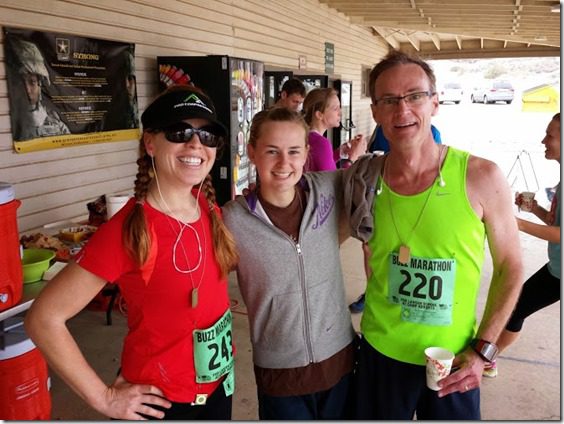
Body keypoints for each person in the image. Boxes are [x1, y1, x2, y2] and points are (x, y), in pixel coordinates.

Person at [25, 85, 239, 420]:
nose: (196, 144)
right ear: (150, 143)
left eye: (208, 135)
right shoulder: (129, 231)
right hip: (161, 406)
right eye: (180, 132)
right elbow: (44, 319)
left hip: (218, 391)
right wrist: (104, 398)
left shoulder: (208, 208)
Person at [343, 50, 524, 419]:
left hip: (453, 360)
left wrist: (483, 350)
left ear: (435, 103)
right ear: (375, 111)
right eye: (389, 100)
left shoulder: (480, 177)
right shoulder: (362, 181)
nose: (402, 110)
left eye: (414, 96)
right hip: (381, 354)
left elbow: (511, 266)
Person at [222, 107, 356, 420]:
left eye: (294, 151)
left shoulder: (328, 190)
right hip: (280, 376)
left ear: (307, 153)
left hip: (341, 362)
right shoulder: (232, 220)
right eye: (272, 151)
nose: (284, 163)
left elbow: (383, 175)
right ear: (252, 153)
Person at [483, 112, 561, 378]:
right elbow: (554, 222)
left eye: (550, 135)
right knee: (516, 306)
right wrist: (535, 208)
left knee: (515, 306)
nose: (544, 140)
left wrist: (515, 222)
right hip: (556, 270)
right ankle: (489, 359)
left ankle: (487, 359)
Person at [349, 122, 442, 313]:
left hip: (417, 201)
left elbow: (436, 165)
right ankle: (372, 292)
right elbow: (371, 160)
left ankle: (412, 297)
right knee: (371, 248)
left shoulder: (432, 132)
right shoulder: (381, 129)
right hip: (382, 195)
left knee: (413, 252)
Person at [7, 38, 71, 141]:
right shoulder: (9, 121)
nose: (27, 90)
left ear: (39, 83)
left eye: (32, 82)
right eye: (20, 83)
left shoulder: (56, 123)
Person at [302, 87, 367, 171]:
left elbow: (320, 166)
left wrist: (339, 153)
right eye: (335, 108)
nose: (340, 112)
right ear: (319, 115)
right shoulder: (320, 143)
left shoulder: (306, 136)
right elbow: (335, 182)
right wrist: (353, 157)